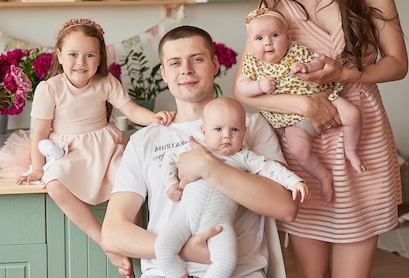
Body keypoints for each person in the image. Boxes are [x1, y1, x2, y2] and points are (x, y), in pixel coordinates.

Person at [233, 0, 407, 278]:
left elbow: (397, 64)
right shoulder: (274, 6)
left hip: (360, 135)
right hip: (304, 144)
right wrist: (303, 105)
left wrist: (346, 75)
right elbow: (243, 91)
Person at [102, 25, 299, 278]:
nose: (186, 69)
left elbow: (285, 207)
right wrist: (183, 250)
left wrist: (210, 167)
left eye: (197, 59)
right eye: (175, 63)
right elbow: (113, 231)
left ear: (215, 64)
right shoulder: (144, 140)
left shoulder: (250, 125)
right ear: (163, 73)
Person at [15, 18, 175, 266]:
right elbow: (40, 133)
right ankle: (105, 240)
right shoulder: (50, 88)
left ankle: (127, 238)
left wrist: (155, 118)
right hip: (70, 152)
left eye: (89, 55)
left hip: (107, 147)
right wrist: (37, 168)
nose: (81, 62)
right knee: (55, 182)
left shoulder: (106, 82)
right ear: (59, 56)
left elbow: (131, 110)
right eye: (73, 54)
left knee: (132, 179)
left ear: (99, 58)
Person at [155, 97, 308, 278]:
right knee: (162, 247)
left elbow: (272, 169)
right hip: (185, 218)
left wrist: (295, 182)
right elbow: (169, 158)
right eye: (218, 129)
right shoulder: (195, 149)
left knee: (226, 260)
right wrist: (171, 183)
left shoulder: (245, 157)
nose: (227, 135)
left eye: (234, 129)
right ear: (204, 131)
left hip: (220, 225)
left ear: (244, 132)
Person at [236, 7, 364, 202]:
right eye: (259, 39)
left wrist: (306, 67)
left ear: (287, 37)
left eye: (275, 35)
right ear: (251, 43)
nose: (268, 42)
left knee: (353, 113)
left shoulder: (295, 50)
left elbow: (316, 63)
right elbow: (242, 87)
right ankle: (323, 175)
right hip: (289, 117)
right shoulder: (252, 62)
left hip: (321, 95)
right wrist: (259, 85)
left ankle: (351, 150)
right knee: (298, 151)